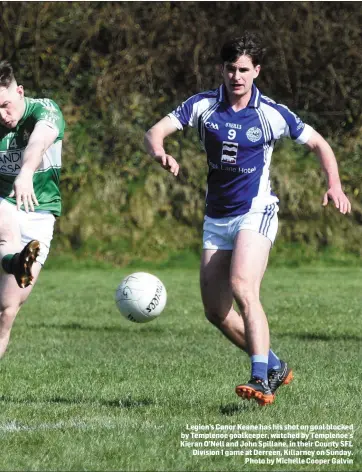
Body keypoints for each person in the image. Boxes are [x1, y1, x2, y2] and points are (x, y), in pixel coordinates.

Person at [144, 32, 351, 406]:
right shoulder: (203, 105)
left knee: (243, 287)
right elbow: (154, 131)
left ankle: (260, 380)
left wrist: (334, 185)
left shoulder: (271, 113)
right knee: (215, 311)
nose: (236, 76)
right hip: (216, 216)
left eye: (243, 69)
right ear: (222, 70)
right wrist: (160, 152)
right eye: (230, 69)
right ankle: (273, 365)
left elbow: (320, 143)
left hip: (256, 211)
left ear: (257, 70)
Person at [0, 61, 65, 359]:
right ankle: (14, 262)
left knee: (7, 310)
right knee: (5, 224)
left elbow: (38, 142)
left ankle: (15, 263)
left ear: (20, 91)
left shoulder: (45, 110)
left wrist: (26, 172)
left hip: (40, 215)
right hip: (4, 204)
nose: (2, 115)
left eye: (6, 105)